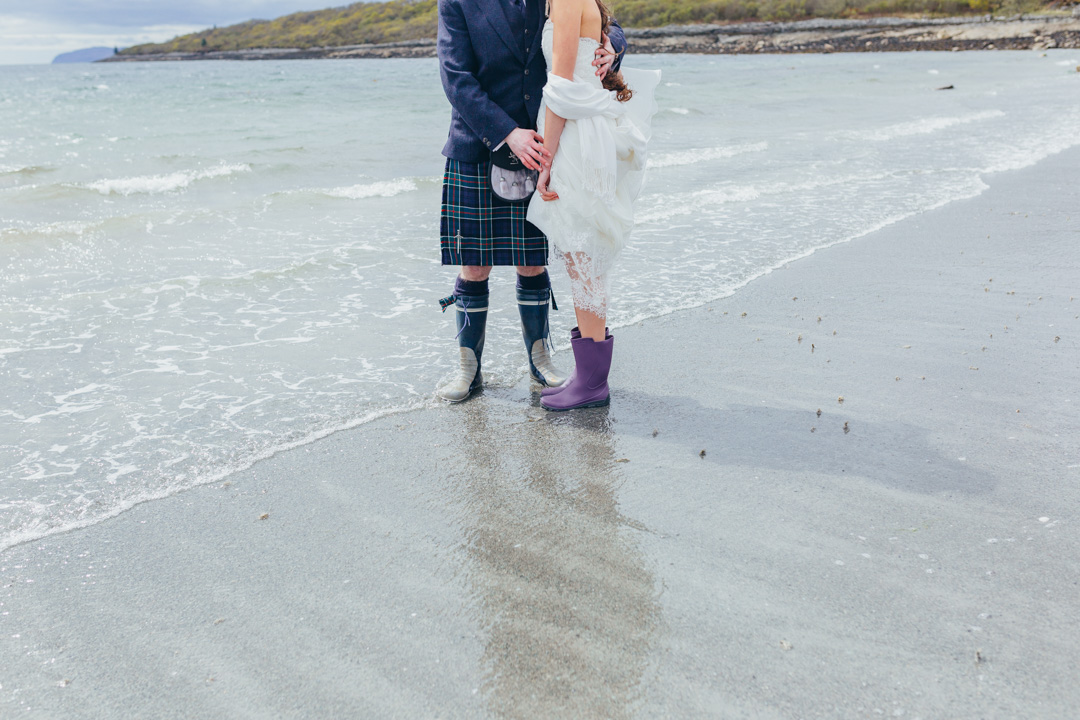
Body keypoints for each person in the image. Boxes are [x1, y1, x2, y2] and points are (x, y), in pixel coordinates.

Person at [435, 0, 627, 403]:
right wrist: (507, 133)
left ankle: (541, 361)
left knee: (533, 260)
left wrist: (615, 49)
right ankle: (467, 368)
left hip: (543, 140)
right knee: (474, 264)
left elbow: (596, 22)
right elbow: (456, 76)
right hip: (481, 140)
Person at [527, 0, 660, 410]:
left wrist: (545, 162)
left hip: (576, 140)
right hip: (583, 133)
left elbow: (561, 90)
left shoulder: (567, 1)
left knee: (584, 259)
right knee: (581, 259)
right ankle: (587, 377)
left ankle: (591, 384)